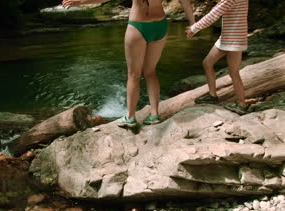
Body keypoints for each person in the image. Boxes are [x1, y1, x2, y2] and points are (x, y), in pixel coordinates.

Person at [62, 0, 195, 128]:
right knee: (150, 72)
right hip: (160, 26)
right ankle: (154, 115)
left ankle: (130, 117)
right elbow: (185, 2)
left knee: (133, 75)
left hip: (138, 26)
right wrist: (193, 25)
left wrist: (79, 2)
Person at [186, 0, 249, 115]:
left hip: (229, 39)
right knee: (234, 72)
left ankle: (213, 95)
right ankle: (242, 104)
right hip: (239, 38)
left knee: (207, 63)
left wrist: (194, 28)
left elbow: (214, 14)